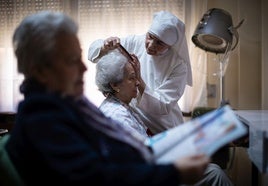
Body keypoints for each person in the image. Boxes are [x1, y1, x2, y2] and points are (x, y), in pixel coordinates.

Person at [5, 11, 211, 186]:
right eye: (72, 60)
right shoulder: (45, 121)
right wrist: (175, 173)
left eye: (160, 43)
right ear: (40, 70)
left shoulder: (66, 106)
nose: (85, 68)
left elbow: (163, 105)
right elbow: (99, 177)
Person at [95, 49, 234, 186]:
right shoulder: (118, 117)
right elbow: (142, 160)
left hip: (152, 168)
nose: (138, 82)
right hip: (151, 176)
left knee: (213, 169)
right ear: (115, 85)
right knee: (215, 173)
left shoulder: (120, 105)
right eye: (132, 78)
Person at [88, 10, 192, 134]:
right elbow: (93, 53)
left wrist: (138, 77)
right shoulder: (135, 42)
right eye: (150, 37)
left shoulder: (178, 65)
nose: (150, 45)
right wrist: (105, 47)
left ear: (170, 46)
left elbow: (163, 105)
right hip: (135, 121)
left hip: (163, 127)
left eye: (159, 43)